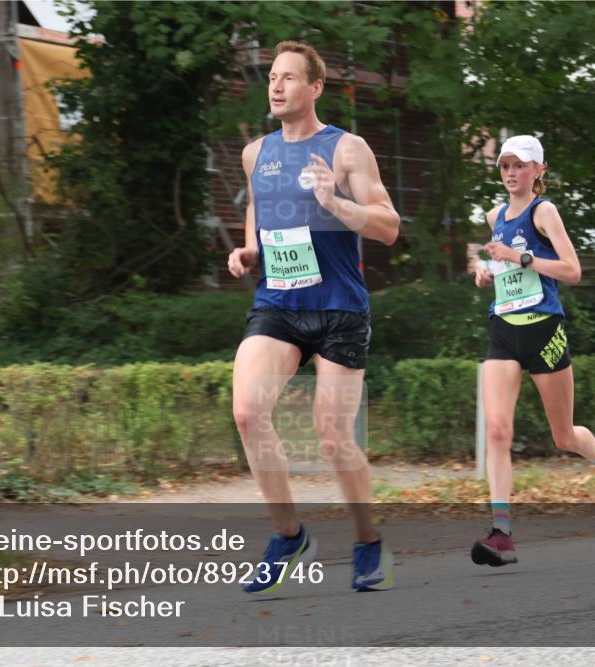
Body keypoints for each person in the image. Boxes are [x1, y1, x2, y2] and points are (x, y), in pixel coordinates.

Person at [227, 41, 401, 593]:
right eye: (272, 78)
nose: (275, 87)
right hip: (279, 301)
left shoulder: (346, 150)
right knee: (247, 413)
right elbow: (259, 214)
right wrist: (250, 250)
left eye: (288, 78)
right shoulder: (256, 153)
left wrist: (338, 204)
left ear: (315, 87)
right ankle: (290, 534)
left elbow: (388, 225)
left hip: (339, 308)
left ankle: (368, 543)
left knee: (331, 435)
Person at [471, 135, 595, 567]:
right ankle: (501, 534)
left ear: (538, 171)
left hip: (544, 329)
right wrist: (484, 269)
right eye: (505, 165)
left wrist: (521, 259)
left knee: (563, 436)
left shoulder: (543, 212)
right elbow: (496, 260)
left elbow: (573, 270)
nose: (511, 173)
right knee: (496, 431)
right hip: (504, 329)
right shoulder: (494, 216)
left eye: (521, 166)